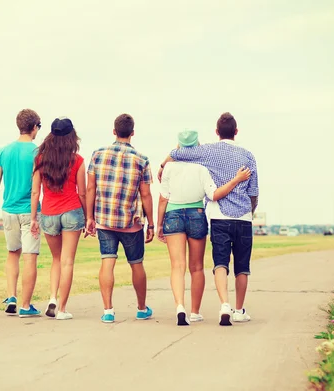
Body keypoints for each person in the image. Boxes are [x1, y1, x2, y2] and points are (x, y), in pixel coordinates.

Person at [158, 113, 259, 326]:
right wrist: (251, 210)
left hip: (218, 215)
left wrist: (162, 165)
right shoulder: (248, 155)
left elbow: (179, 153)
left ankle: (223, 304)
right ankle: (238, 310)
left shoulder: (208, 151)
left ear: (216, 132)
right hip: (241, 216)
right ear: (236, 131)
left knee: (219, 262)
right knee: (241, 266)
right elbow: (253, 191)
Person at [85, 113, 155, 323]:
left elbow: (90, 188)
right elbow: (145, 194)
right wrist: (151, 223)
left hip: (105, 219)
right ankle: (141, 308)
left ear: (114, 131)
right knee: (136, 264)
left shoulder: (97, 155)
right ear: (132, 133)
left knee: (107, 262)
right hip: (131, 222)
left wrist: (89, 217)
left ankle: (108, 310)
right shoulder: (141, 159)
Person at [0, 108, 42, 318]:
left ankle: (11, 297)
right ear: (34, 127)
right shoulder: (38, 152)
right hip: (29, 211)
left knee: (12, 253)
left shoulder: (3, 151)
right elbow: (36, 188)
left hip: (8, 211)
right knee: (30, 257)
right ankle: (26, 306)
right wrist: (35, 216)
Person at [30, 117, 86, 321]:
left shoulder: (40, 159)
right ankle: (62, 309)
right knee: (67, 261)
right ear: (72, 136)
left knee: (56, 259)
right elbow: (82, 193)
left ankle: (53, 298)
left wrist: (34, 218)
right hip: (71, 211)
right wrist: (88, 217)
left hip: (49, 213)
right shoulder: (77, 160)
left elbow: (35, 192)